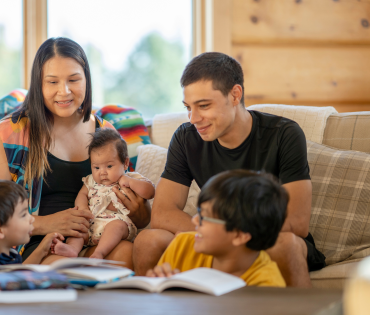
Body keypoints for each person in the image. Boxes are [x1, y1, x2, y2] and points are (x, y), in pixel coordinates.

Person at [133, 52, 325, 287]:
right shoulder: (186, 138)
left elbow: (297, 222)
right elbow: (162, 214)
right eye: (188, 107)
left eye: (203, 106)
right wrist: (214, 235)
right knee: (148, 240)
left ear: (235, 95)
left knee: (285, 244)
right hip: (214, 235)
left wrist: (229, 235)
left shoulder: (284, 134)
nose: (193, 118)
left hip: (266, 237)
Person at [0, 37, 150, 269]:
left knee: (125, 254)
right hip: (38, 243)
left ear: (87, 79)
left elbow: (139, 209)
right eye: (52, 82)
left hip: (98, 234)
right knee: (65, 268)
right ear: (39, 84)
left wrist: (139, 212)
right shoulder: (10, 134)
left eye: (74, 79)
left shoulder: (106, 133)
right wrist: (44, 224)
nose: (64, 91)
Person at [146, 170, 287, 287]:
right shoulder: (182, 245)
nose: (194, 220)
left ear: (240, 235)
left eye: (204, 217)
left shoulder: (267, 286)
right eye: (198, 212)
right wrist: (159, 290)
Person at [52, 128, 155, 259]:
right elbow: (82, 195)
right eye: (97, 167)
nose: (102, 172)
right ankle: (71, 249)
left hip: (117, 222)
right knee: (78, 230)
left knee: (117, 226)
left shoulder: (130, 178)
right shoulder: (90, 180)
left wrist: (129, 181)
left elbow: (150, 192)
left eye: (109, 166)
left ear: (125, 163)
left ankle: (99, 253)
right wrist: (83, 208)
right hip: (92, 224)